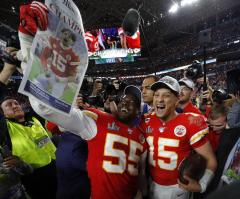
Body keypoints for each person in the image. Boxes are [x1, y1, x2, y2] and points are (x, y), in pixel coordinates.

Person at [29, 84, 148, 199]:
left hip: (134, 195)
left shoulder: (141, 135)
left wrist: (144, 193)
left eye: (132, 102)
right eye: (122, 100)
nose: (125, 102)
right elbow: (47, 111)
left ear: (139, 112)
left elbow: (141, 171)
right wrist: (39, 82)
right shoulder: (99, 121)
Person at [139, 76, 217, 199]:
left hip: (177, 187)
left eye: (166, 95)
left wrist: (202, 184)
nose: (159, 100)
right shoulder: (146, 120)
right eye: (157, 95)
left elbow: (210, 158)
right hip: (152, 182)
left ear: (176, 100)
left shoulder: (190, 121)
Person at [0, 47, 58, 199]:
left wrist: (21, 67)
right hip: (34, 178)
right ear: (3, 114)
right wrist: (8, 69)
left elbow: (40, 92)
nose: (15, 105)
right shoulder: (6, 128)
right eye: (9, 105)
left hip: (58, 169)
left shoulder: (34, 119)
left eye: (16, 103)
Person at [34, 28, 80, 99]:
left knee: (54, 102)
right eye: (65, 34)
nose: (66, 36)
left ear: (72, 43)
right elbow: (43, 56)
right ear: (62, 35)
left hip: (62, 80)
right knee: (34, 85)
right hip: (51, 72)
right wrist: (45, 69)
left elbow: (73, 77)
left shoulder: (74, 56)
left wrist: (62, 80)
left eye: (69, 36)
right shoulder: (54, 41)